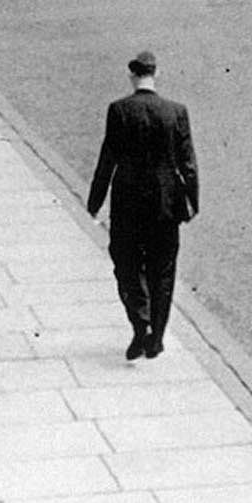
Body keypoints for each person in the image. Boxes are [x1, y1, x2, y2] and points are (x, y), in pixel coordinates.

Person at [86, 49, 198, 361]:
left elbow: (107, 158)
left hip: (128, 202)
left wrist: (95, 201)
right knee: (163, 270)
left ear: (132, 76)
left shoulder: (119, 110)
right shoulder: (176, 111)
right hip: (165, 203)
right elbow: (188, 162)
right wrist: (191, 202)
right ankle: (157, 337)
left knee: (127, 264)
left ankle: (141, 321)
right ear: (156, 74)